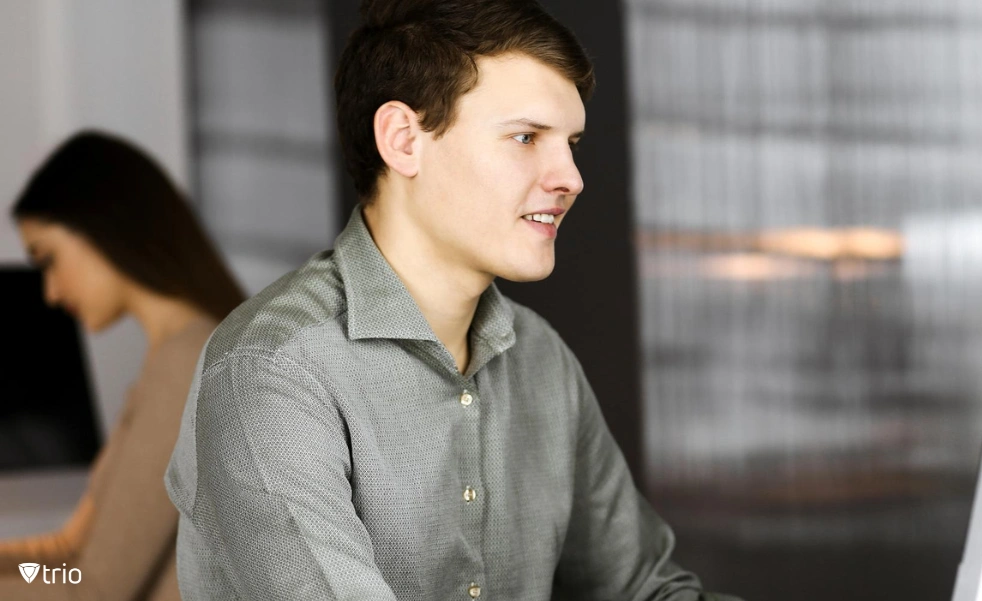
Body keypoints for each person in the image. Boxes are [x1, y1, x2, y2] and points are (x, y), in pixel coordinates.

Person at [165, 0, 743, 599]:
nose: (570, 176)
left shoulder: (541, 358)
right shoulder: (270, 372)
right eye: (525, 137)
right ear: (403, 140)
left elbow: (644, 588)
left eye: (570, 142)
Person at [0, 131, 245, 600]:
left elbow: (94, 588)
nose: (49, 292)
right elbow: (69, 554)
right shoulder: (171, 360)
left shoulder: (187, 363)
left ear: (103, 229)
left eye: (49, 259)